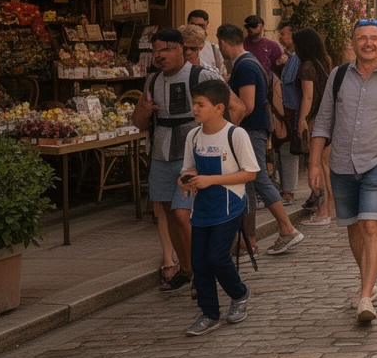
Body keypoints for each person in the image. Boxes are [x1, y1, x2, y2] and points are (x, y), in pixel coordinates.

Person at [309, 19, 377, 323]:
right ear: (353, 42)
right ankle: (367, 284)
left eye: (374, 38)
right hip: (342, 165)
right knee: (354, 228)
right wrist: (314, 162)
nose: (368, 43)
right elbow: (322, 122)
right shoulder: (338, 75)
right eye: (362, 38)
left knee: (371, 226)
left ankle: (365, 297)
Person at [131, 27, 227, 294]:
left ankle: (201, 270)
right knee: (169, 215)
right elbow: (138, 123)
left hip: (193, 156)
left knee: (184, 215)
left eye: (164, 50)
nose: (158, 56)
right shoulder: (152, 81)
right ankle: (187, 270)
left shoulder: (201, 75)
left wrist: (218, 150)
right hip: (161, 154)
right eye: (155, 51)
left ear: (179, 49)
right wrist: (143, 109)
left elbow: (231, 110)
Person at [215, 23, 305, 256]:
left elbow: (247, 105)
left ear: (223, 43)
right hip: (254, 129)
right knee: (251, 183)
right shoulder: (248, 63)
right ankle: (249, 240)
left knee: (260, 179)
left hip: (252, 129)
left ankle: (287, 228)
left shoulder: (244, 66)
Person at [179, 79, 259, 336]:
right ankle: (209, 313)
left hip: (229, 205)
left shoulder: (235, 134)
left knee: (216, 257)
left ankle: (239, 293)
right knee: (199, 262)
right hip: (202, 207)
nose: (195, 109)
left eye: (201, 104)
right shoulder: (193, 136)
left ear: (219, 107)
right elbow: (188, 168)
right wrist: (186, 180)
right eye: (194, 103)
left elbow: (250, 174)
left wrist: (211, 180)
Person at [293, 28, 333, 225]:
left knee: (316, 165)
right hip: (328, 118)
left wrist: (302, 120)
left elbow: (308, 96)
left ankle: (322, 211)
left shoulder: (307, 66)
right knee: (326, 165)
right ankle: (330, 209)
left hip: (315, 119)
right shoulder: (323, 61)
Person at [276, 23, 301, 204]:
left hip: (291, 110)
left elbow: (290, 85)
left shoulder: (297, 58)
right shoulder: (290, 57)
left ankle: (288, 191)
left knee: (288, 150)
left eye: (283, 34)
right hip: (286, 110)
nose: (280, 37)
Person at [187, 9, 228, 77]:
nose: (197, 29)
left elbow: (222, 74)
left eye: (200, 26)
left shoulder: (214, 49)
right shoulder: (180, 48)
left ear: (206, 25)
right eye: (193, 25)